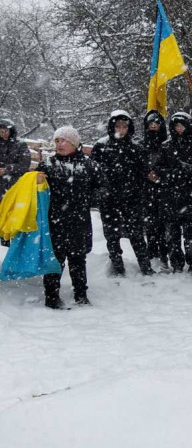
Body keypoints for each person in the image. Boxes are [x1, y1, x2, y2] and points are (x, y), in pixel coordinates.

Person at [38, 126, 102, 309]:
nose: (59, 144)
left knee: (78, 259)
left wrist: (87, 199)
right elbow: (35, 192)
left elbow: (103, 188)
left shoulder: (89, 165)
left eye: (63, 140)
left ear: (74, 143)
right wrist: (36, 182)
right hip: (55, 221)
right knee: (54, 260)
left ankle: (81, 295)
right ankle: (51, 297)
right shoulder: (47, 165)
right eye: (57, 141)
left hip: (79, 221)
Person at [90, 109, 153, 276]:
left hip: (132, 198)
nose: (121, 129)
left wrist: (140, 192)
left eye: (124, 126)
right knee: (112, 235)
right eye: (117, 126)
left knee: (137, 234)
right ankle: (117, 265)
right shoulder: (101, 147)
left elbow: (144, 172)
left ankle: (145, 266)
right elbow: (94, 172)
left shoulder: (136, 148)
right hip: (108, 199)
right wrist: (100, 193)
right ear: (112, 127)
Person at [162, 111, 192, 275]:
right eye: (177, 126)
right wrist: (173, 173)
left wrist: (187, 170)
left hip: (190, 197)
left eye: (182, 126)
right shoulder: (166, 146)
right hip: (172, 197)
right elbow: (160, 169)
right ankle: (176, 262)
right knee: (173, 235)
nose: (179, 129)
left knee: (190, 235)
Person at [141, 109, 170, 270]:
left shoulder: (166, 144)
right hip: (147, 190)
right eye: (150, 124)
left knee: (163, 224)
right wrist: (147, 174)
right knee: (150, 224)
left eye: (156, 124)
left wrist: (160, 175)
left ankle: (164, 254)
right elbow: (139, 165)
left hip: (164, 189)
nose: (153, 127)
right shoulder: (142, 145)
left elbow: (171, 165)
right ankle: (152, 253)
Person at [0, 116, 32, 199]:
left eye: (6, 131)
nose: (3, 134)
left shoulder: (20, 144)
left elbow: (25, 164)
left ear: (11, 131)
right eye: (1, 131)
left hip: (15, 177)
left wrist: (6, 169)